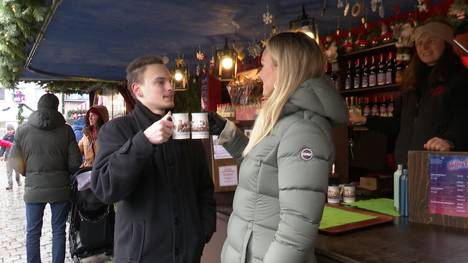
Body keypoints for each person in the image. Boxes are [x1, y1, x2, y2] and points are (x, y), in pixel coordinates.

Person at [209, 32, 348, 263]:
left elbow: (297, 226)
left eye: (264, 65)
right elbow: (264, 172)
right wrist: (230, 134)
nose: (260, 74)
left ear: (284, 69)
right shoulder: (284, 120)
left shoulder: (304, 129)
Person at [90, 55, 216, 263]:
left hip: (187, 254)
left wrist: (201, 230)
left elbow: (204, 187)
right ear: (138, 90)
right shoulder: (118, 130)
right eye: (160, 82)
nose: (170, 87)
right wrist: (143, 142)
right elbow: (105, 188)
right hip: (140, 256)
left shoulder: (183, 127)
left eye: (170, 81)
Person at [349, 19, 468, 165]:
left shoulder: (459, 78)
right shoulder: (412, 84)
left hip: (440, 166)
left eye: (431, 40)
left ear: (446, 43)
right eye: (419, 43)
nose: (424, 46)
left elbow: (463, 118)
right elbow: (397, 124)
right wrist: (365, 120)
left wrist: (449, 140)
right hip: (406, 166)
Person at [8, 93, 82, 263]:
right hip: (60, 189)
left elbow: (13, 160)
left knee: (33, 232)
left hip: (34, 189)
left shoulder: (22, 130)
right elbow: (76, 161)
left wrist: (29, 173)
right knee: (58, 230)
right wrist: (64, 173)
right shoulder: (66, 130)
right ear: (56, 107)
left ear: (38, 106)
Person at [0, 125, 21, 190]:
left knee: (17, 172)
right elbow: (3, 147)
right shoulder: (5, 137)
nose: (9, 131)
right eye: (8, 130)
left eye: (11, 130)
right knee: (9, 172)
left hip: (16, 157)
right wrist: (1, 155)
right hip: (8, 157)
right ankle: (10, 185)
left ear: (13, 130)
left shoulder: (17, 136)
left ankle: (18, 181)